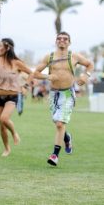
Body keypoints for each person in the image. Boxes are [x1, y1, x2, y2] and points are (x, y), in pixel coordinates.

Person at [33, 31, 94, 166]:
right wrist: (48, 77)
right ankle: (67, 138)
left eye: (65, 39)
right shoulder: (49, 57)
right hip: (54, 94)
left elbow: (90, 65)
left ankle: (55, 155)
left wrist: (85, 75)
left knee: (60, 123)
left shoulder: (74, 56)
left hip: (67, 93)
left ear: (69, 42)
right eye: (59, 38)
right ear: (56, 41)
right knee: (58, 122)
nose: (62, 40)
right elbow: (35, 73)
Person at [0, 38, 33, 157]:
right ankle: (7, 148)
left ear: (8, 48)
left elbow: (31, 73)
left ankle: (14, 133)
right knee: (1, 127)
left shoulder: (16, 63)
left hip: (12, 96)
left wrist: (25, 86)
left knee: (4, 119)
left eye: (1, 46)